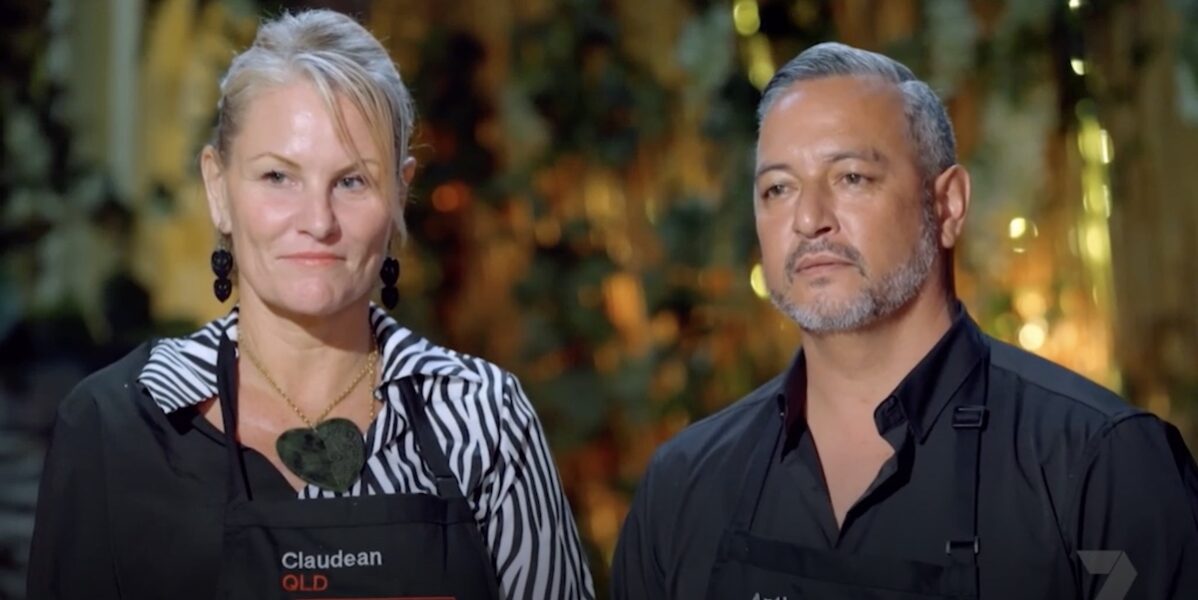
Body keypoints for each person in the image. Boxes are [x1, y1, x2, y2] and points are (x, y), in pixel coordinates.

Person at [28, 9, 594, 600]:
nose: (318, 221)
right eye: (278, 177)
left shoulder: (484, 418)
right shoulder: (116, 424)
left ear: (399, 193)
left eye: (352, 181)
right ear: (218, 188)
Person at [612, 42, 1198, 599]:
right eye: (778, 188)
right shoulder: (684, 485)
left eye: (851, 178)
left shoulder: (1101, 465)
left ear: (948, 205)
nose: (809, 219)